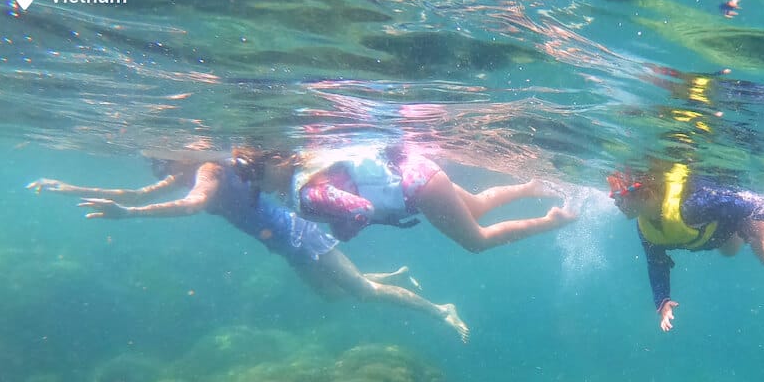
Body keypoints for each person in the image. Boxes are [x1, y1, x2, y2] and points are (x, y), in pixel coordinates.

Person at [27, 156, 470, 342]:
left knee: (360, 294)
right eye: (157, 163)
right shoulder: (185, 170)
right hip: (284, 245)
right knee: (330, 294)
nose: (159, 167)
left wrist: (127, 217)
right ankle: (387, 275)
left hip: (298, 236)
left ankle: (440, 308)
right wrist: (69, 187)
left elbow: (190, 206)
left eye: (161, 160)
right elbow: (136, 189)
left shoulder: (206, 172)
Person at [238, 139, 577, 251]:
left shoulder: (307, 193)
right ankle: (531, 187)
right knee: (477, 205)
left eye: (255, 173)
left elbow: (360, 209)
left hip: (413, 188)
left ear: (278, 161)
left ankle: (551, 221)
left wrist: (342, 231)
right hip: (412, 170)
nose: (254, 183)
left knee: (477, 241)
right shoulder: (309, 165)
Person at [608, 163, 764, 332]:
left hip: (733, 214)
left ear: (646, 195)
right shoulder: (645, 227)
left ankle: (754, 223)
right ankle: (742, 228)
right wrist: (663, 300)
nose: (616, 202)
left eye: (620, 197)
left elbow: (740, 203)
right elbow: (656, 262)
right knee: (729, 252)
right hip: (717, 234)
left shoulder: (692, 205)